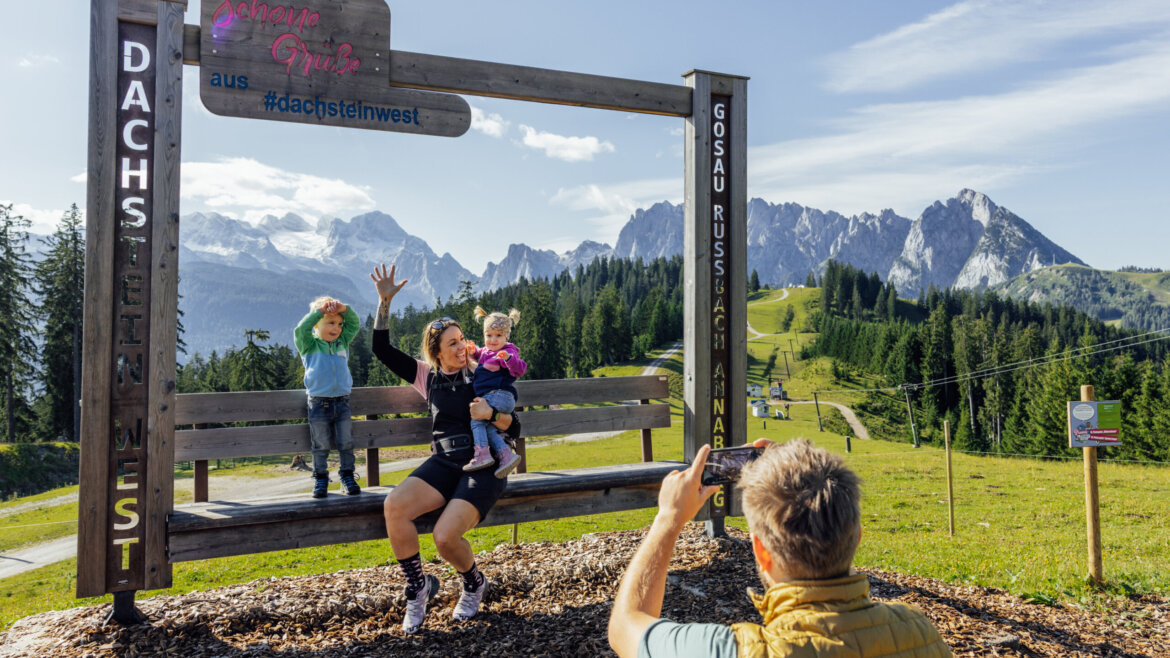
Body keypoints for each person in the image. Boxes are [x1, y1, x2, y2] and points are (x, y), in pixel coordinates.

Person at [608, 439, 951, 657]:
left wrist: (669, 518)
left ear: (761, 552)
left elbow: (625, 627)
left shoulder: (734, 651)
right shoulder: (919, 631)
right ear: (857, 536)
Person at [369, 264, 521, 634]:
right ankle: (418, 587)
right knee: (395, 506)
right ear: (435, 351)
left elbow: (514, 427)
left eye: (462, 339)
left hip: (484, 465)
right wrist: (384, 303)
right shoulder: (427, 375)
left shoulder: (483, 370)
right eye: (451, 342)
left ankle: (473, 583)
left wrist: (492, 413)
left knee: (444, 536)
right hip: (444, 461)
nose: (461, 346)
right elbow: (381, 348)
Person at [293, 296, 361, 498]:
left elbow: (354, 323)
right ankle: (320, 478)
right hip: (318, 403)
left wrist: (343, 309)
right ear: (317, 324)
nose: (337, 328)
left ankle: (347, 476)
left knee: (346, 443)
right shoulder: (309, 345)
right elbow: (300, 330)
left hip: (342, 402)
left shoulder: (342, 342)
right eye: (331, 322)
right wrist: (319, 311)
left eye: (340, 323)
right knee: (320, 445)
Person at [463, 305, 526, 476]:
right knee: (486, 424)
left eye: (498, 335)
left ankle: (482, 453)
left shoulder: (508, 351)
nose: (493, 340)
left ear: (506, 336)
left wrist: (509, 359)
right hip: (494, 397)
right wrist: (473, 351)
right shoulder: (486, 351)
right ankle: (505, 455)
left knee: (476, 420)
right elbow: (480, 356)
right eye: (488, 335)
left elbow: (520, 369)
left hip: (500, 396)